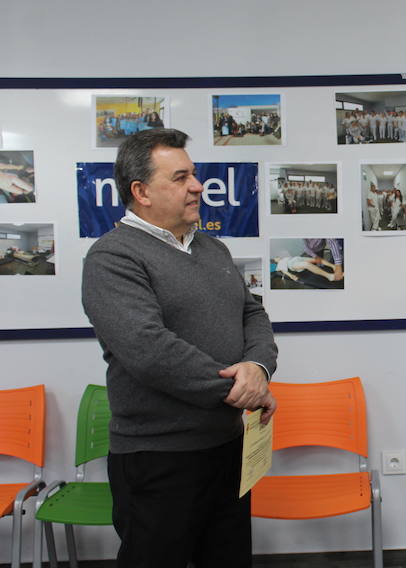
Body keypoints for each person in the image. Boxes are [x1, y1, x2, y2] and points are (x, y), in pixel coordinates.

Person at [81, 128, 278, 568]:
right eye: (181, 177)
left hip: (228, 447)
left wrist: (258, 367)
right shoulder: (113, 257)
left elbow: (253, 314)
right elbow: (147, 348)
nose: (196, 186)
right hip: (158, 458)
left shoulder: (213, 248)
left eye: (194, 175)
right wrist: (235, 389)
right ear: (141, 191)